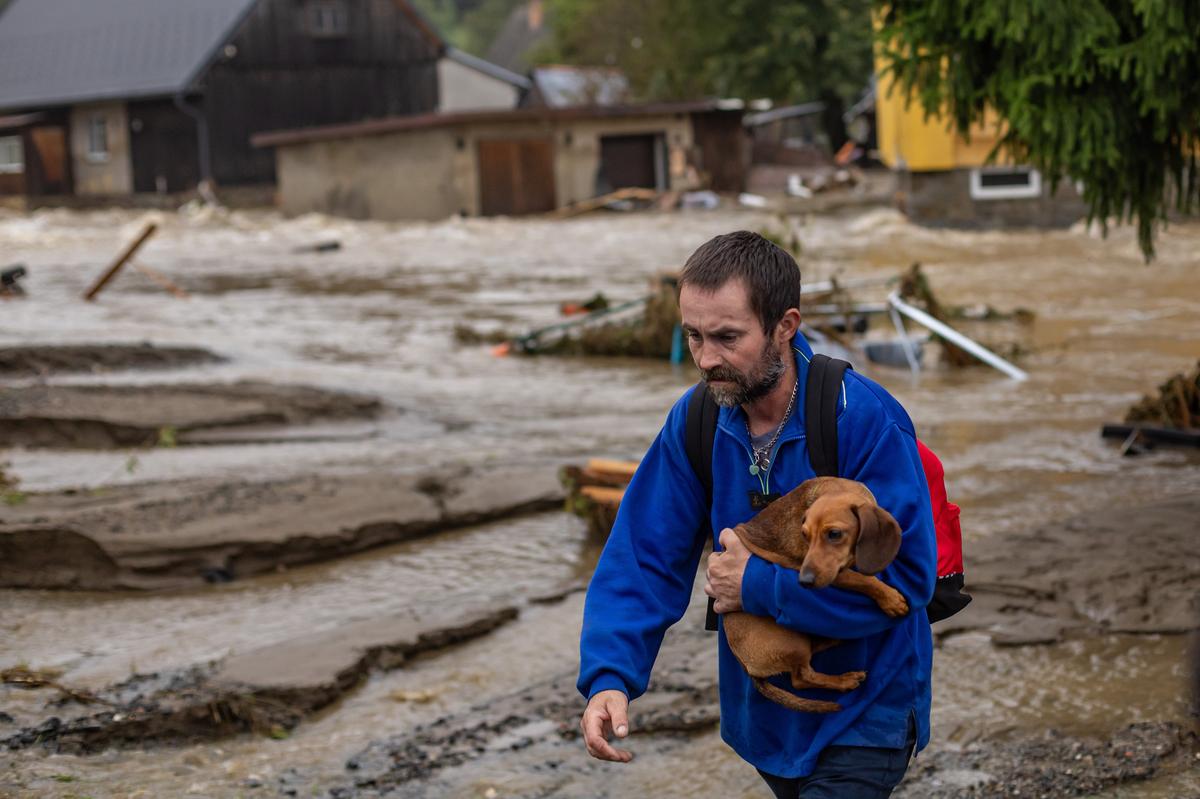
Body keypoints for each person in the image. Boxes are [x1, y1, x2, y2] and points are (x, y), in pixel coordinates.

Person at [577, 231, 937, 798]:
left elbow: (908, 578)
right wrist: (609, 676)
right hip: (765, 722)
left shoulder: (860, 419)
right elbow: (644, 554)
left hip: (866, 714)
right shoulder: (696, 422)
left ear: (785, 327)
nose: (706, 358)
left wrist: (758, 585)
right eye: (693, 335)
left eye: (727, 337)